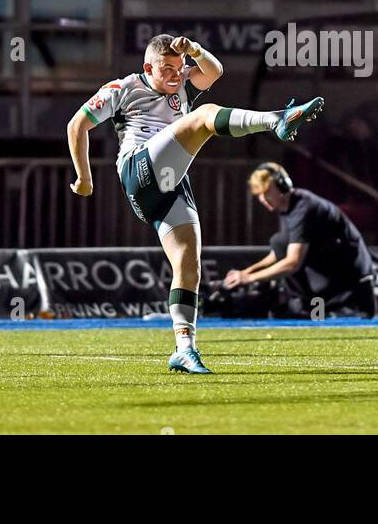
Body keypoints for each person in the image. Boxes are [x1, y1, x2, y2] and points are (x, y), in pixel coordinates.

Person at [67, 33, 323, 374]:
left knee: (189, 264)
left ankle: (184, 348)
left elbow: (214, 71)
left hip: (170, 184)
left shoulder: (183, 79)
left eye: (179, 67)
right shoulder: (124, 87)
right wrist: (84, 177)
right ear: (148, 67)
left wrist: (195, 51)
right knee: (204, 116)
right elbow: (77, 125)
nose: (176, 75)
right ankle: (276, 119)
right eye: (167, 69)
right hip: (139, 169)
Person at [224, 163, 376, 318]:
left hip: (351, 281)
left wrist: (249, 278)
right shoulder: (288, 208)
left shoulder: (304, 208)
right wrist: (244, 273)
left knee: (283, 251)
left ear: (282, 186)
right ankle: (306, 306)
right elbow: (279, 253)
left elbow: (293, 262)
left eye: (267, 192)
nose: (263, 199)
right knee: (279, 242)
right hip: (329, 276)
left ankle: (315, 307)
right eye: (259, 195)